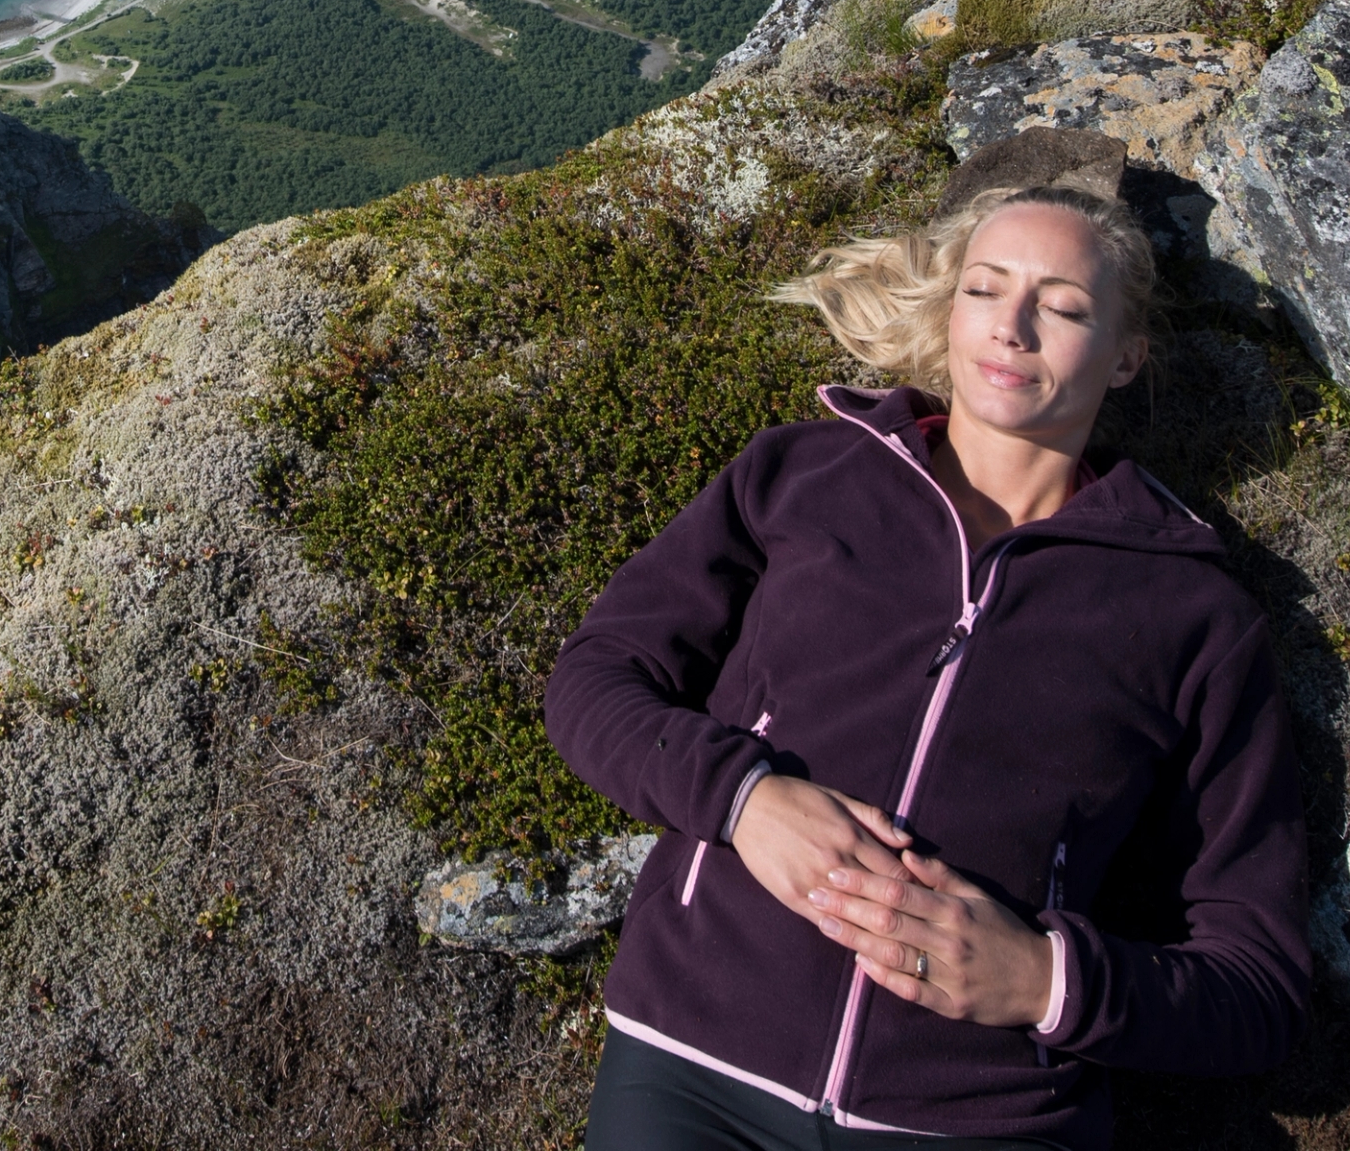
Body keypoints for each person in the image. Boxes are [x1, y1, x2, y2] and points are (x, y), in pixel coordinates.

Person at [543, 167, 1308, 1151]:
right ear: (949, 310)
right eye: (985, 288)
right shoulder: (802, 477)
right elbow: (593, 682)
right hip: (689, 1070)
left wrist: (1046, 980)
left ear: (1125, 358)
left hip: (981, 1122)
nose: (1012, 326)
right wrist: (747, 801)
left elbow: (1259, 986)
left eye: (1063, 307)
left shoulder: (1192, 610)